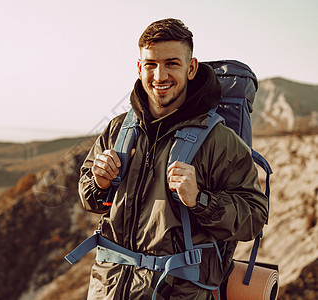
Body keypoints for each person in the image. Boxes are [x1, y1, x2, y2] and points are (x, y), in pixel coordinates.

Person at [78, 18, 268, 300]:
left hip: (176, 292)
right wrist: (98, 183)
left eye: (172, 64)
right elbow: (90, 198)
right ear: (140, 67)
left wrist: (200, 200)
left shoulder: (219, 140)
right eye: (152, 64)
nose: (160, 76)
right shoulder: (118, 129)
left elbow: (254, 217)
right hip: (108, 288)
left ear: (191, 68)